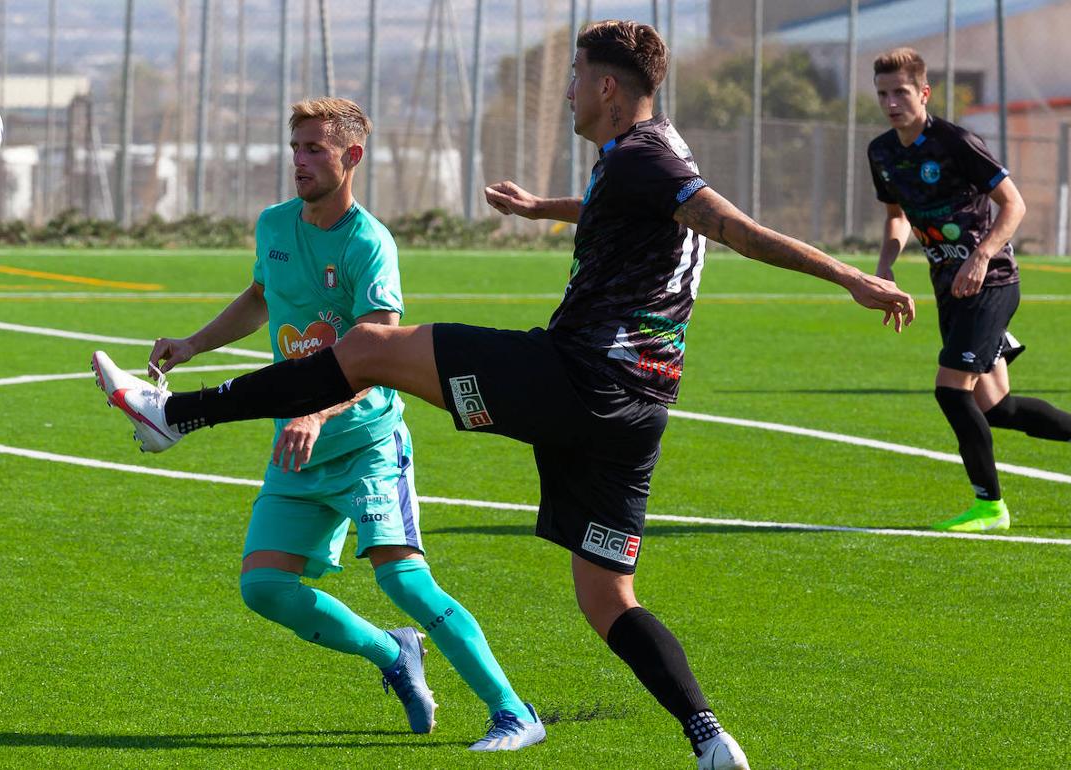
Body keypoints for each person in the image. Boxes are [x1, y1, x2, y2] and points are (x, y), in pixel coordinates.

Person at [94, 22, 915, 770]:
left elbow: (731, 227)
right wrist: (542, 211)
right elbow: (625, 206)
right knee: (606, 598)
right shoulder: (646, 155)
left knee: (371, 349)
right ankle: (709, 738)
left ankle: (177, 414)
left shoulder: (645, 156)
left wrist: (852, 277)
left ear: (606, 87)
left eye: (574, 76)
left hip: (579, 377)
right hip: (637, 416)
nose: (564, 90)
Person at [92, 97, 545, 752]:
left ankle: (513, 712)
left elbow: (379, 346)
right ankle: (392, 654)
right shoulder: (275, 226)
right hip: (297, 447)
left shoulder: (369, 244)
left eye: (315, 149)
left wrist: (315, 408)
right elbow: (259, 298)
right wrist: (192, 344)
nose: (299, 161)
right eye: (295, 147)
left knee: (403, 579)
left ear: (351, 157)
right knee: (265, 587)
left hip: (366, 442)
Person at [868, 48, 1071, 533]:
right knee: (998, 408)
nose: (892, 102)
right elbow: (896, 216)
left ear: (923, 92)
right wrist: (885, 267)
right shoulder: (882, 152)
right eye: (882, 94)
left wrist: (981, 256)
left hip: (992, 283)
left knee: (951, 392)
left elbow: (1014, 205)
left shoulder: (956, 142)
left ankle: (989, 506)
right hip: (949, 289)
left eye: (900, 91)